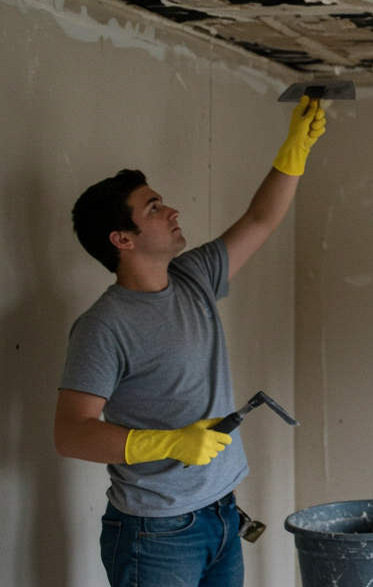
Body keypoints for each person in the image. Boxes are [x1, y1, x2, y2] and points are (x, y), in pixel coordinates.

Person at [55, 96, 327, 587]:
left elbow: (260, 221)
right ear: (123, 239)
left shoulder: (193, 276)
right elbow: (71, 433)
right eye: (154, 207)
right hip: (156, 531)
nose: (172, 210)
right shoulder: (104, 326)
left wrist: (293, 152)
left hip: (221, 513)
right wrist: (170, 442)